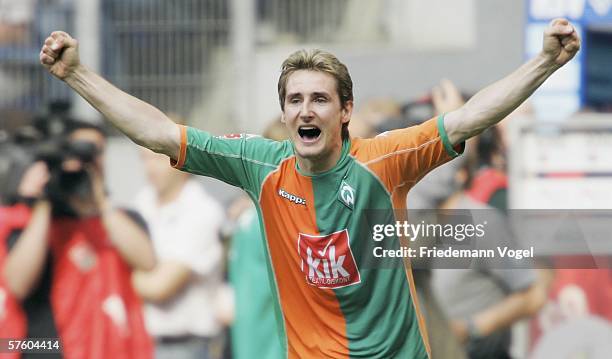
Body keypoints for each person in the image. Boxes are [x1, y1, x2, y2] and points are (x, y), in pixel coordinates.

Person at [38, 19, 580, 358]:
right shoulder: (261, 166)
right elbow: (157, 132)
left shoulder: (384, 160)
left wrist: (544, 62)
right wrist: (78, 75)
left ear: (345, 112)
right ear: (283, 112)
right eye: (295, 99)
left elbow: (464, 121)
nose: (305, 109)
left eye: (319, 99)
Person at [2, 121, 156, 359]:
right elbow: (17, 285)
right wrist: (47, 200)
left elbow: (146, 261)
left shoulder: (122, 218)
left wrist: (99, 201)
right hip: (48, 349)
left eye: (95, 152)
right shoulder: (34, 223)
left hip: (113, 349)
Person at [132, 147, 226, 359]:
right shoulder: (141, 203)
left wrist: (121, 272)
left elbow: (160, 286)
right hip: (141, 342)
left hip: (186, 347)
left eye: (157, 158)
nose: (149, 167)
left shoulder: (202, 211)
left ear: (182, 161)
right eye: (144, 159)